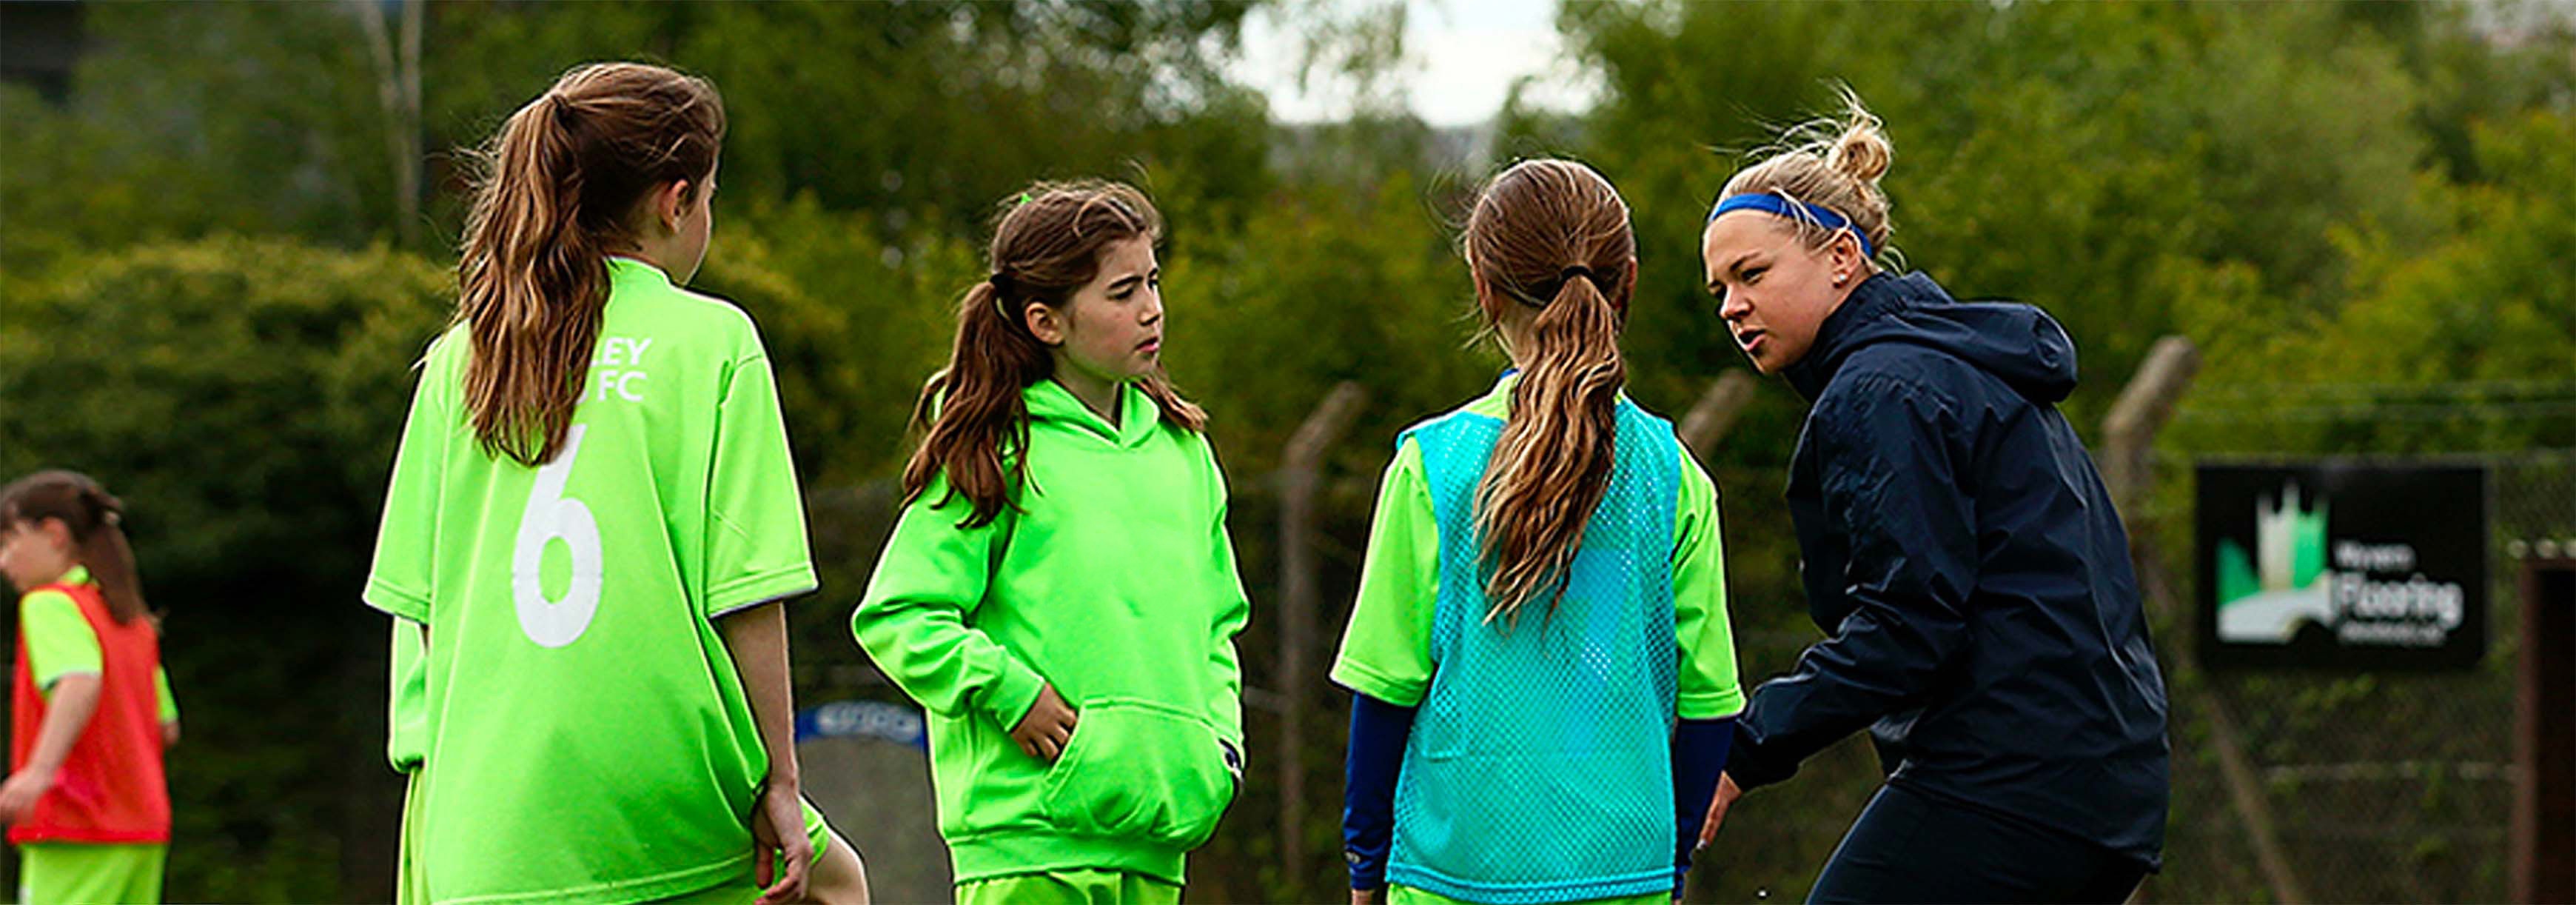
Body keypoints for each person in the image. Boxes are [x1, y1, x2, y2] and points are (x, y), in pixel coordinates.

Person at [362, 61, 866, 905]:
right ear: (676, 201)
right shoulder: (714, 341)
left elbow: (417, 607)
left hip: (486, 809)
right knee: (839, 883)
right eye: (710, 195)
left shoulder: (462, 358)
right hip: (663, 793)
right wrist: (780, 779)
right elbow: (748, 593)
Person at [1695, 91, 2169, 904]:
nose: (1734, 305)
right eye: (1720, 290)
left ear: (1842, 258)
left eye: (1752, 273)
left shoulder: (1885, 390)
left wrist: (1745, 748)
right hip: (2103, 777)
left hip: (2010, 779)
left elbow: (1908, 626)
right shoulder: (1957, 367)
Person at [1333, 158, 1745, 905]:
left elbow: (1386, 685)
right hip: (1627, 872)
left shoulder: (1432, 466)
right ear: (1628, 282)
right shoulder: (1672, 475)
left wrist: (1367, 864)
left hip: (1449, 874)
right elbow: (1710, 698)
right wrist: (1673, 858)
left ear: (1483, 286)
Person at [853, 180, 1249, 905]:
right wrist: (1012, 692)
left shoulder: (1184, 451)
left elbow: (1219, 623)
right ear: (1046, 321)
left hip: (1158, 839)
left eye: (1153, 282)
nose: (1153, 308)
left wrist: (1219, 747)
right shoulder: (993, 445)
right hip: (1026, 846)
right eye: (1123, 291)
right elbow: (900, 615)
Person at [0, 470, 178, 905]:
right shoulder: (133, 623)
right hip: (143, 827)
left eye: (8, 542)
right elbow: (167, 728)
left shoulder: (50, 604)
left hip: (75, 823)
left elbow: (80, 681)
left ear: (54, 534)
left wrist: (39, 772)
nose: (3, 562)